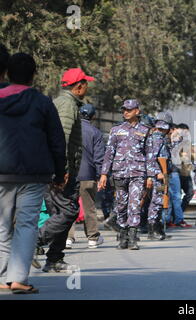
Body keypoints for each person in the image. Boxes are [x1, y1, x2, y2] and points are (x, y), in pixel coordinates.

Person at [0, 53, 66, 293]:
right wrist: (60, 174)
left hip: (1, 174)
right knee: (27, 225)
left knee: (1, 224)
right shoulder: (42, 102)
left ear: (7, 73)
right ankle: (18, 279)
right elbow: (57, 141)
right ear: (33, 75)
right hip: (34, 174)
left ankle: (1, 277)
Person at [38, 67, 95, 272]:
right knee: (69, 211)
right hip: (61, 171)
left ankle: (54, 258)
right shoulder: (66, 105)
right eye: (86, 83)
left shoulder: (67, 103)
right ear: (79, 86)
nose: (87, 87)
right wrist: (62, 171)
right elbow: (61, 137)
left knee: (63, 212)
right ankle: (34, 241)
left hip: (63, 170)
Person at [98, 99, 151, 250]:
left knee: (134, 205)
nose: (125, 112)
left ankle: (133, 237)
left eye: (129, 109)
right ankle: (123, 235)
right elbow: (109, 153)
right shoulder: (116, 130)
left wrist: (150, 176)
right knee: (121, 205)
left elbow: (149, 155)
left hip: (138, 174)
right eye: (124, 110)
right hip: (119, 173)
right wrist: (103, 174)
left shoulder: (145, 130)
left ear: (137, 111)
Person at [66, 104, 105, 249]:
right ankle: (93, 238)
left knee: (69, 206)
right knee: (90, 207)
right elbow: (99, 157)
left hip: (70, 174)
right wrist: (101, 175)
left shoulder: (70, 129)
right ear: (93, 116)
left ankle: (68, 238)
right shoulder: (95, 132)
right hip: (88, 174)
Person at [147, 112, 175, 240]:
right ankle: (153, 230)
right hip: (158, 176)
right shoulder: (157, 138)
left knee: (161, 200)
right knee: (157, 201)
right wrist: (157, 173)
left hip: (162, 175)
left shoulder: (160, 137)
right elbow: (152, 158)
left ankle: (158, 228)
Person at [167, 124, 192, 228]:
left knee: (173, 197)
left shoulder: (174, 141)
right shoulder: (168, 140)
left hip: (175, 171)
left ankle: (171, 219)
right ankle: (176, 219)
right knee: (174, 197)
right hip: (172, 171)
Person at [178, 123, 195, 213]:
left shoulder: (188, 144)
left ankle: (179, 213)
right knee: (176, 196)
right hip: (177, 173)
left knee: (190, 193)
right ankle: (175, 217)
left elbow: (193, 156)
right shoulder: (175, 141)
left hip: (186, 173)